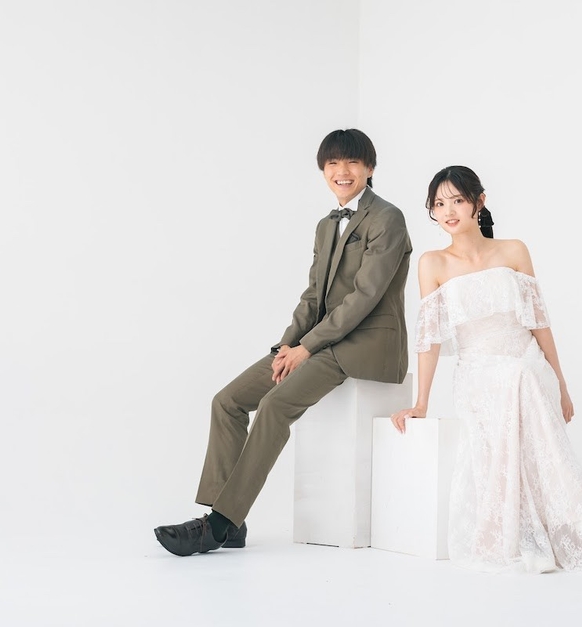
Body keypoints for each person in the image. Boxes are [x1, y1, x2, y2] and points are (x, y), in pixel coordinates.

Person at [391, 165, 582, 575]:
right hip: (478, 375)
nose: (448, 211)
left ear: (479, 202)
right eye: (439, 204)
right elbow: (429, 339)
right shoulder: (432, 263)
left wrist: (561, 383)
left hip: (526, 366)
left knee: (541, 437)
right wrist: (421, 403)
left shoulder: (513, 251)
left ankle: (575, 532)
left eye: (458, 200)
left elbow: (538, 322)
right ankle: (514, 538)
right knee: (498, 456)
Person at [155, 129, 412, 557]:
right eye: (332, 163)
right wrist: (285, 348)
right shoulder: (326, 225)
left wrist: (307, 348)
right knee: (227, 402)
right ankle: (231, 522)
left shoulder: (388, 218)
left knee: (274, 406)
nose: (342, 171)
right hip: (321, 341)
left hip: (365, 343)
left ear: (370, 168)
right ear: (323, 170)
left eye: (352, 162)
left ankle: (217, 526)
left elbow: (364, 297)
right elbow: (313, 296)